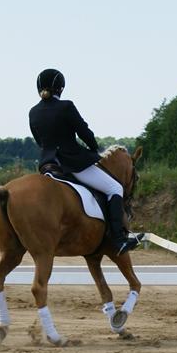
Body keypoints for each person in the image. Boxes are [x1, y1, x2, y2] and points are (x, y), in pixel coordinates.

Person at [29, 68, 140, 255]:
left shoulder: (33, 112)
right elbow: (84, 132)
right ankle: (119, 239)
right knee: (115, 188)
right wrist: (93, 149)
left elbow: (40, 141)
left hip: (48, 165)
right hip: (72, 164)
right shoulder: (66, 106)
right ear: (61, 88)